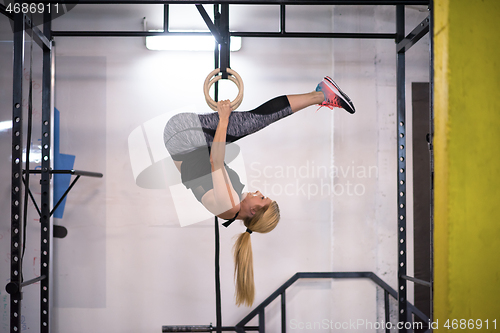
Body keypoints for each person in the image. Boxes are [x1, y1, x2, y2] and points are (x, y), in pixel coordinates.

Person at [163, 76, 355, 306]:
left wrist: (223, 119)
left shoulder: (229, 204)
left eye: (262, 198)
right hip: (189, 141)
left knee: (253, 121)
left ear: (253, 211)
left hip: (182, 136)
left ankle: (322, 94)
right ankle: (319, 95)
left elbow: (215, 160)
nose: (259, 192)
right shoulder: (232, 207)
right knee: (250, 123)